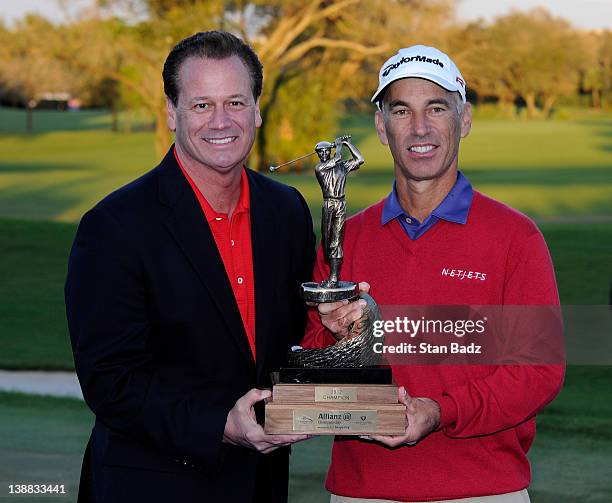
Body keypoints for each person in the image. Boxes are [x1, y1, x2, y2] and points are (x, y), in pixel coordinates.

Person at [302, 45, 564, 502]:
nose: (419, 128)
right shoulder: (344, 241)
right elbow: (312, 365)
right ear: (382, 128)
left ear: (463, 121)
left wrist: (440, 412)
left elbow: (538, 371)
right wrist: (337, 338)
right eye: (401, 110)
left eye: (436, 108)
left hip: (484, 490)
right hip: (361, 491)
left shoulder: (516, 237)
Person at [65, 31, 315, 503]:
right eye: (201, 105)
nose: (221, 121)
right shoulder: (114, 227)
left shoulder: (287, 212)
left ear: (257, 110)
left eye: (236, 102)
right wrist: (220, 424)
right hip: (150, 486)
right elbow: (110, 379)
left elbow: (297, 342)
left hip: (260, 486)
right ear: (171, 113)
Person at [314, 135, 364, 287]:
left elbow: (360, 159)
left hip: (340, 204)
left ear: (329, 151)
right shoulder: (320, 168)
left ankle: (334, 277)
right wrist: (338, 146)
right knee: (327, 241)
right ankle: (332, 273)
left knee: (336, 241)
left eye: (326, 151)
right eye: (320, 152)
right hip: (328, 205)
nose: (323, 154)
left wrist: (348, 143)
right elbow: (336, 159)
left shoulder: (341, 166)